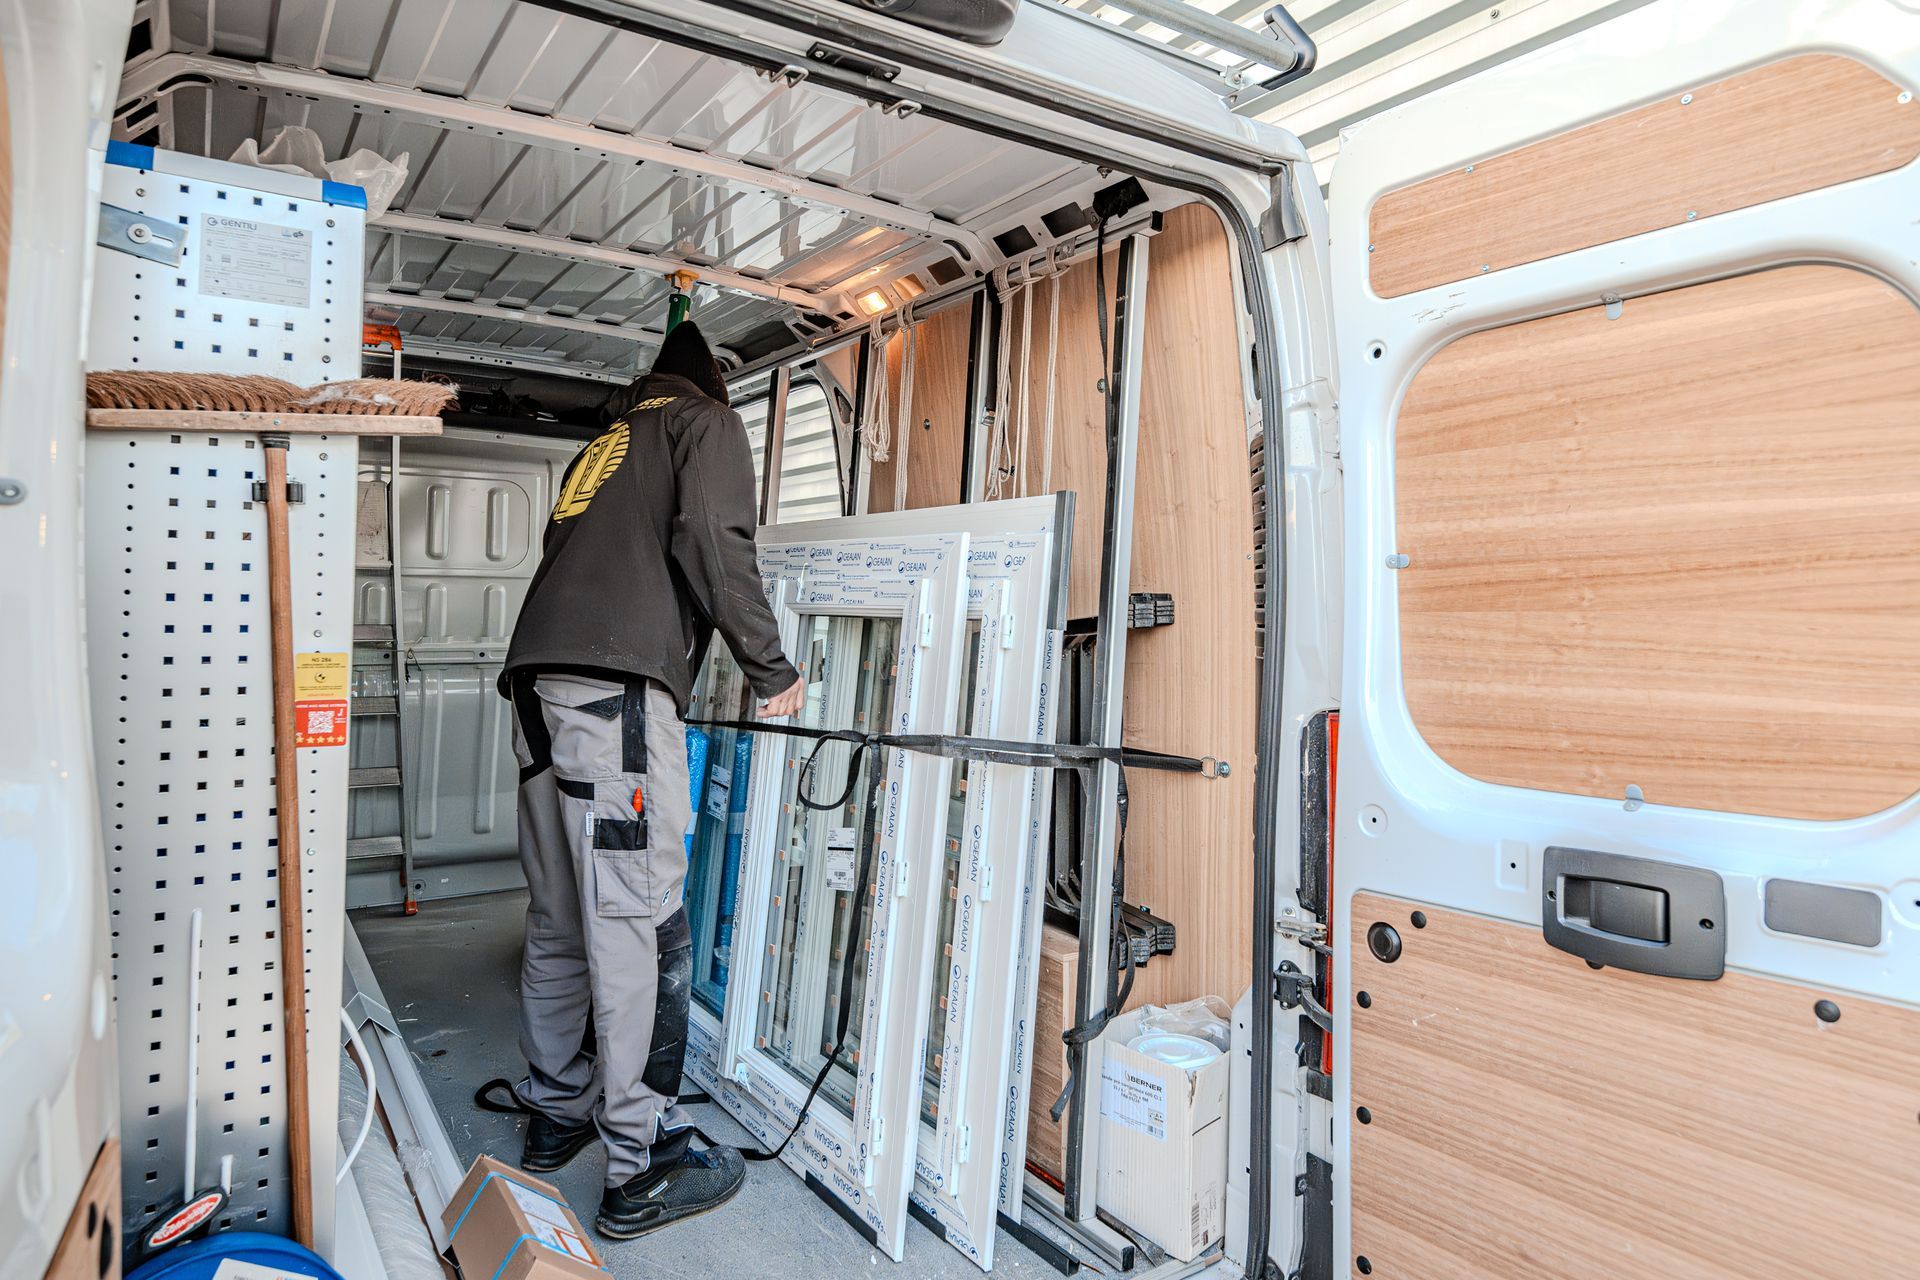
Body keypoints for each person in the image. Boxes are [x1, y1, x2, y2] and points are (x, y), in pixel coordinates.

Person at [497, 320, 804, 1239]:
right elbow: (714, 535)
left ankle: (555, 1113)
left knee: (559, 916)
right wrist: (771, 670)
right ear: (710, 382)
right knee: (638, 925)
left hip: (541, 691)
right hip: (615, 698)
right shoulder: (702, 421)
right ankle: (641, 1163)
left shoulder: (609, 441)